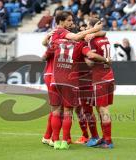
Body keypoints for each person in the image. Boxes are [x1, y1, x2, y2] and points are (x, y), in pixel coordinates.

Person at [41, 11, 104, 150]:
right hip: (72, 80)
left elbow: (44, 53)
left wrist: (47, 41)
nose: (71, 23)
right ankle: (67, 139)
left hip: (55, 78)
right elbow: (90, 59)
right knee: (72, 111)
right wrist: (95, 31)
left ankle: (53, 139)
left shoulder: (56, 40)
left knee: (57, 111)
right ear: (62, 22)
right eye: (69, 20)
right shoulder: (77, 42)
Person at [84, 18, 114, 148]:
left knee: (103, 109)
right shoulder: (105, 38)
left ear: (92, 26)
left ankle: (108, 140)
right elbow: (103, 32)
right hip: (109, 76)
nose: (86, 28)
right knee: (100, 107)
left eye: (87, 26)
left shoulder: (91, 40)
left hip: (99, 77)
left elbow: (91, 61)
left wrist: (83, 56)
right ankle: (104, 137)